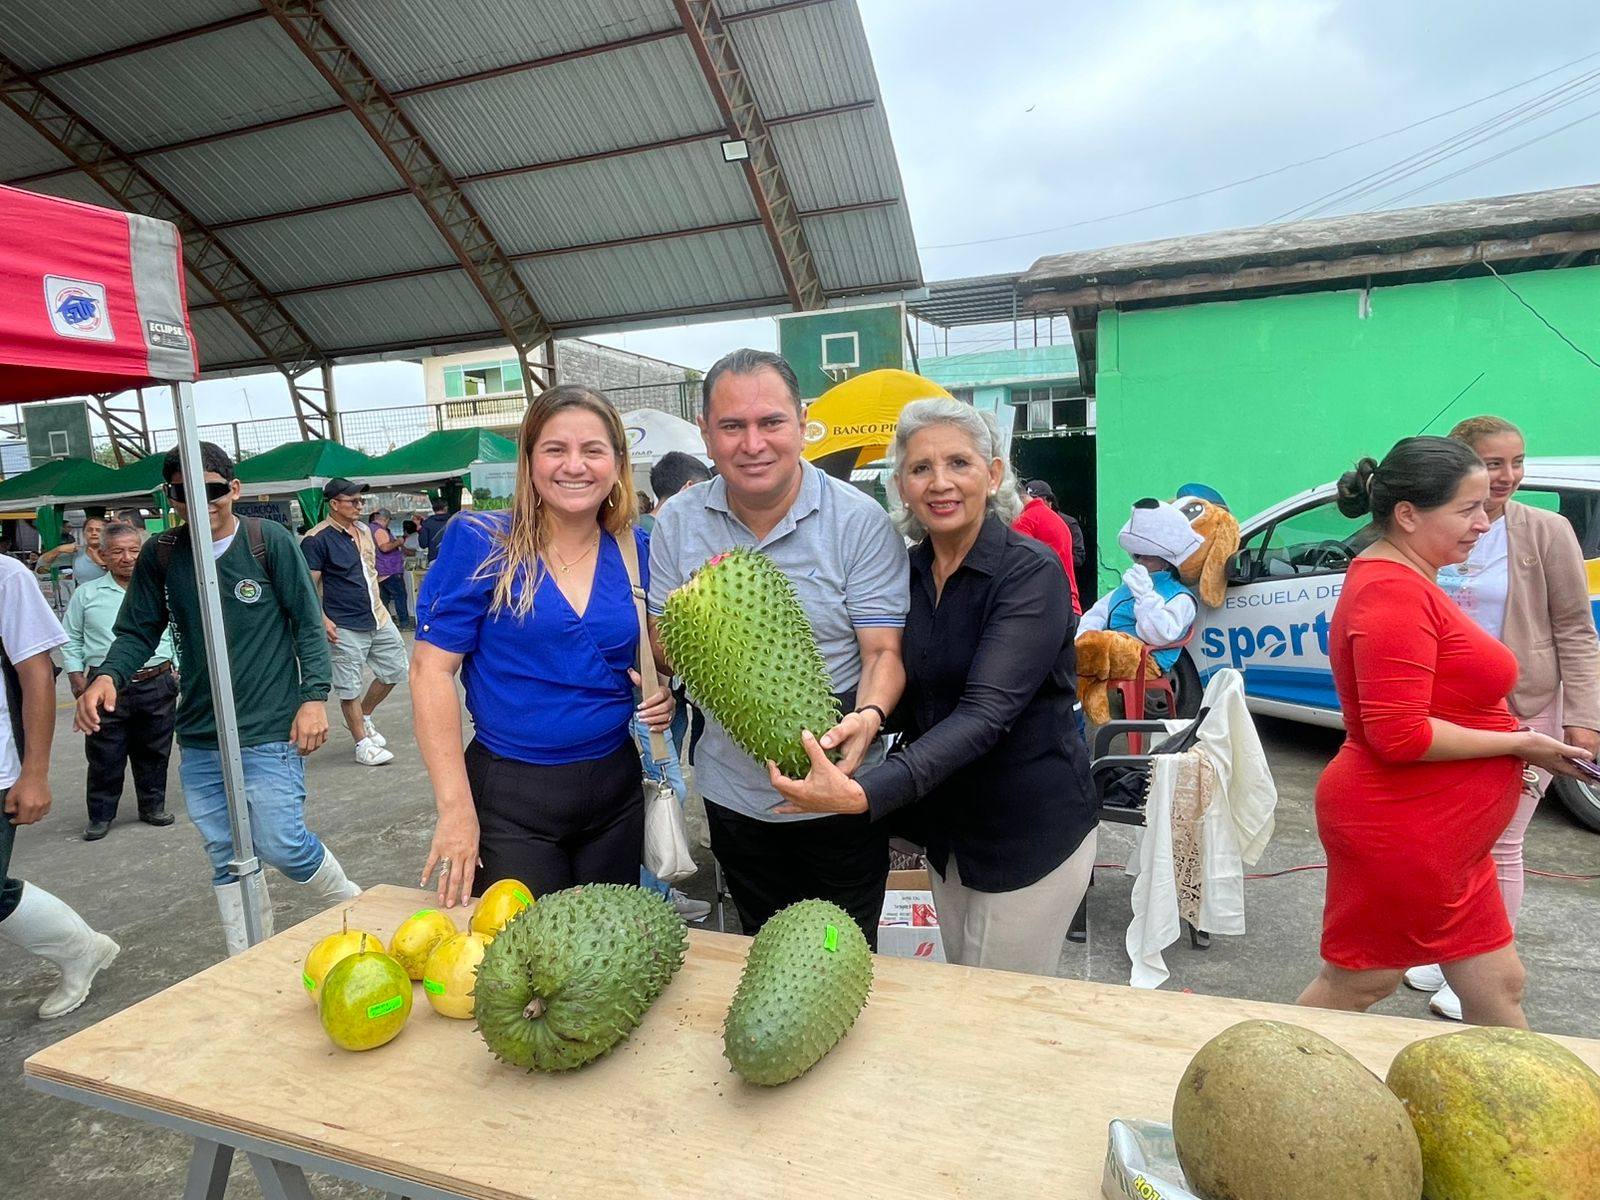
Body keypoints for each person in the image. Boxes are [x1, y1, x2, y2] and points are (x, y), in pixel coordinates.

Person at [769, 400, 1098, 974]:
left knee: (995, 1006)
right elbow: (916, 686)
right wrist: (863, 717)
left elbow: (985, 713)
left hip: (1026, 833)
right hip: (950, 835)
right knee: (962, 986)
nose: (940, 483)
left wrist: (867, 794)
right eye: (921, 468)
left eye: (959, 463)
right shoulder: (911, 571)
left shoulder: (1029, 573)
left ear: (992, 474)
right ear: (901, 485)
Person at [1295, 437, 1591, 1028]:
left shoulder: (1412, 577)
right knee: (1360, 982)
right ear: (1408, 514)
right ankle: (1256, 1076)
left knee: (1499, 984)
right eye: (1468, 509)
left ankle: (1529, 1093)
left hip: (1446, 837)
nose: (1484, 522)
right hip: (1405, 829)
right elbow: (1398, 734)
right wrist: (1521, 743)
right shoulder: (1391, 593)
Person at [647, 348, 908, 946]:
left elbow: (882, 653)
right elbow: (663, 642)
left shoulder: (859, 521)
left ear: (802, 423)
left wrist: (869, 717)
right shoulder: (677, 522)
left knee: (841, 949)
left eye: (771, 422)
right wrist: (687, 655)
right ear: (706, 434)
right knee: (763, 946)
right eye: (732, 426)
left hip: (843, 792)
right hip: (734, 796)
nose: (753, 443)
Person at [76, 443, 361, 955]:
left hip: (270, 726)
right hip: (202, 733)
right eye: (184, 492)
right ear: (171, 497)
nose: (199, 501)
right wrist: (108, 674)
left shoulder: (267, 541)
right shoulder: (162, 553)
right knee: (226, 854)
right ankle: (247, 957)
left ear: (233, 489)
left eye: (211, 489)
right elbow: (138, 629)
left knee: (281, 843)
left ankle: (355, 906)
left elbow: (306, 622)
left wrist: (314, 697)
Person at [413, 385, 674, 908]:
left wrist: (661, 689)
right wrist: (456, 809)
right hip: (511, 798)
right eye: (556, 449)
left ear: (617, 463)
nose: (574, 465)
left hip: (615, 790)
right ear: (530, 460)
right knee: (523, 951)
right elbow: (429, 673)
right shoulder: (482, 542)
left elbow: (650, 654)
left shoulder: (637, 549)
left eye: (593, 450)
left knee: (608, 945)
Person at [1403, 416, 1600, 1020]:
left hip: (1522, 709)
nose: (1508, 476)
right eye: (1493, 463)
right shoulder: (1435, 528)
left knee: (1500, 844)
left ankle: (1484, 974)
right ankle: (1448, 952)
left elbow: (1575, 628)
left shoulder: (1545, 531)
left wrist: (1584, 717)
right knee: (1449, 840)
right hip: (1444, 712)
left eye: (1517, 462)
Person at [0, 553, 120, 1019]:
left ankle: (78, 949)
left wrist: (34, 773)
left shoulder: (7, 576)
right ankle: (80, 949)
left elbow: (36, 676)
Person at [61, 522, 178, 840]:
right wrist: (76, 677)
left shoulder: (160, 590)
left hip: (157, 681)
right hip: (105, 685)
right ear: (102, 556)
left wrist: (176, 668)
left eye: (134, 550)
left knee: (155, 751)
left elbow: (173, 631)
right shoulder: (86, 594)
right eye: (118, 552)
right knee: (105, 755)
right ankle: (100, 816)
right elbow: (70, 638)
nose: (127, 558)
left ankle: (152, 806)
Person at [636, 451, 713, 922]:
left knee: (662, 788)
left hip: (668, 691)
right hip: (650, 695)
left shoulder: (642, 534)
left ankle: (657, 897)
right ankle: (654, 904)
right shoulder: (648, 541)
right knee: (664, 791)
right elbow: (656, 630)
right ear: (688, 490)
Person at [300, 479, 408, 767]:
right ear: (334, 504)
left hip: (377, 616)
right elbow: (307, 586)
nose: (360, 506)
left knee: (395, 670)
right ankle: (362, 744)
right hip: (343, 623)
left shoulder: (364, 530)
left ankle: (364, 714)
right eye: (353, 501)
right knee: (349, 686)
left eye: (361, 501)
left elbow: (369, 571)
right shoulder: (316, 539)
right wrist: (322, 619)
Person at [1078, 499, 1201, 665]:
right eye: (1137, 556)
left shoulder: (1181, 597)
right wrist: (1083, 640)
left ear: (1165, 562)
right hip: (1109, 655)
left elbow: (1159, 635)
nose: (1140, 562)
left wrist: (1145, 596)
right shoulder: (1127, 588)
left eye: (1147, 558)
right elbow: (1096, 614)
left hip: (1147, 659)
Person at [1013, 478, 1081, 613]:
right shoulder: (1056, 520)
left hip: (1045, 605)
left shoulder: (1025, 520)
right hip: (1067, 603)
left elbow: (1017, 566)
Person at [370, 507, 412, 631]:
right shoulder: (380, 531)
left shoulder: (369, 529)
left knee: (384, 599)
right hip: (390, 569)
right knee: (400, 596)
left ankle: (386, 624)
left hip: (379, 570)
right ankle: (404, 623)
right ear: (385, 519)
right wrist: (399, 542)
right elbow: (385, 547)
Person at [37, 516, 107, 585]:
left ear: (106, 534)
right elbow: (42, 562)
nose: (94, 533)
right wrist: (59, 549)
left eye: (98, 530)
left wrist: (99, 561)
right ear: (84, 533)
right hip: (82, 591)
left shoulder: (112, 552)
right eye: (89, 530)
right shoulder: (78, 552)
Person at [417, 497, 450, 564]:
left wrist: (420, 529)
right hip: (452, 558)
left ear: (433, 509)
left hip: (434, 559)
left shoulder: (427, 523)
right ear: (446, 508)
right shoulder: (454, 521)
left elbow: (423, 544)